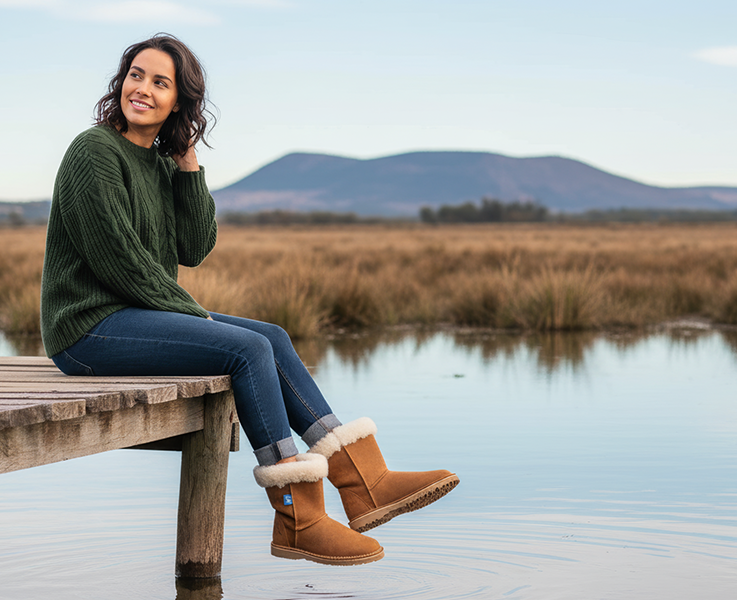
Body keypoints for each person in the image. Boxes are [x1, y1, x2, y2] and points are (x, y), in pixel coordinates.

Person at [39, 33, 458, 566]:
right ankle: (299, 519)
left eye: (160, 82)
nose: (141, 88)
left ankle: (363, 480)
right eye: (136, 75)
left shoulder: (161, 164)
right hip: (86, 329)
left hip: (134, 314)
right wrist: (199, 317)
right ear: (121, 81)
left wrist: (188, 162)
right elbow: (118, 260)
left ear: (179, 102)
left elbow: (193, 247)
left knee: (271, 336)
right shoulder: (93, 151)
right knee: (246, 348)